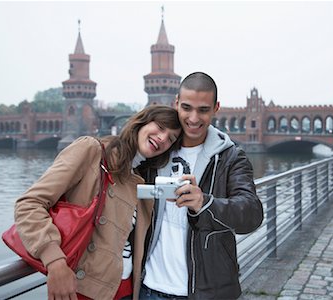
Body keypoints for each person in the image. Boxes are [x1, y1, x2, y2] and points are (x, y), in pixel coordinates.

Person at [14, 105, 183, 300]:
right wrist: (54, 261)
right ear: (142, 121)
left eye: (171, 138)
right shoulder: (92, 151)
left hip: (126, 291)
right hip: (82, 290)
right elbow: (29, 204)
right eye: (161, 127)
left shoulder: (140, 179)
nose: (162, 138)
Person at [133, 72, 264, 299]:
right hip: (149, 288)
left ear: (216, 108)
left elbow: (252, 214)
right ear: (176, 103)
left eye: (203, 110)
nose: (193, 118)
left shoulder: (231, 157)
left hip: (208, 292)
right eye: (186, 108)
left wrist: (205, 203)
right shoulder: (158, 150)